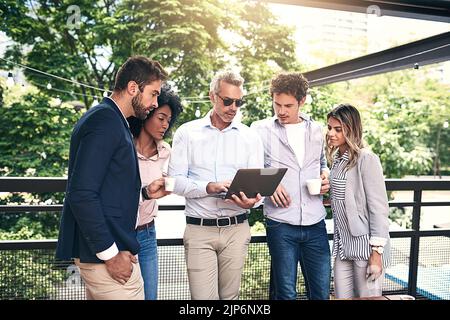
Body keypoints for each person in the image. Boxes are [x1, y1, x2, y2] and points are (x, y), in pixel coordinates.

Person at [56, 56, 169, 300]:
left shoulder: (111, 119)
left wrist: (145, 193)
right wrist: (111, 254)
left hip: (107, 251)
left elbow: (108, 190)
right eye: (153, 94)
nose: (155, 103)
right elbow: (82, 194)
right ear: (132, 88)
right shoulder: (105, 121)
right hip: (105, 258)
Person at [168, 70, 264, 300]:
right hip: (199, 230)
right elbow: (174, 182)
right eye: (227, 101)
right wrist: (209, 187)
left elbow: (259, 189)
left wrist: (254, 200)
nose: (233, 107)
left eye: (238, 102)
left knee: (230, 300)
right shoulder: (187, 133)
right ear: (212, 97)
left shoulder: (250, 137)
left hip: (236, 229)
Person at [251, 72, 331, 300]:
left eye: (288, 105)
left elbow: (323, 163)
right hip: (281, 224)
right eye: (277, 104)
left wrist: (325, 176)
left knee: (322, 292)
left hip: (316, 224)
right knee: (285, 294)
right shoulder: (259, 129)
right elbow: (249, 167)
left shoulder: (316, 130)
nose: (282, 111)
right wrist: (268, 183)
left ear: (302, 101)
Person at [326, 104, 390, 299]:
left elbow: (378, 209)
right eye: (329, 127)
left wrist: (376, 254)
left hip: (365, 247)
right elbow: (348, 196)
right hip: (342, 245)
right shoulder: (338, 159)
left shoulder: (367, 158)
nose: (331, 133)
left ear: (352, 130)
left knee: (367, 298)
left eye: (338, 129)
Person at [127, 84, 183, 300]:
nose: (165, 124)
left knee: (150, 296)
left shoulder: (165, 151)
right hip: (122, 234)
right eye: (161, 117)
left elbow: (176, 181)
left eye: (168, 120)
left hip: (148, 234)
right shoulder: (125, 147)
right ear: (146, 113)